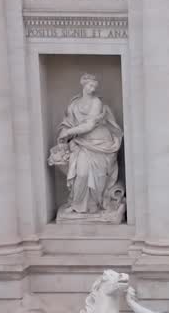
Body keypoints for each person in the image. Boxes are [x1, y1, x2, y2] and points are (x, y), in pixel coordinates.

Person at [51, 74, 123, 216]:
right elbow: (67, 123)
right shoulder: (74, 105)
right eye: (90, 85)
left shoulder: (97, 102)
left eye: (94, 87)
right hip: (82, 144)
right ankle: (77, 205)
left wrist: (70, 132)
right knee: (82, 174)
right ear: (83, 85)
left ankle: (94, 205)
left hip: (101, 144)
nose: (92, 88)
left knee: (99, 179)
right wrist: (63, 134)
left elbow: (89, 125)